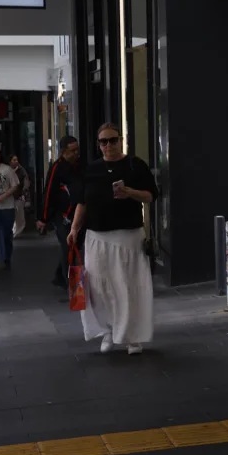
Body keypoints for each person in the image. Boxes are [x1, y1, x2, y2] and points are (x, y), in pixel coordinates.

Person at [67, 123, 158, 356]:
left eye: (112, 140)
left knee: (129, 287)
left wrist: (129, 192)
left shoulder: (134, 165)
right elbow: (82, 202)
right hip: (97, 236)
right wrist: (75, 228)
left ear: (121, 140)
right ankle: (107, 330)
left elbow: (150, 196)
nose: (108, 145)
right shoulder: (92, 170)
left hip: (128, 235)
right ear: (98, 145)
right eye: (103, 142)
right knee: (98, 288)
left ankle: (132, 336)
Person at [37, 136, 83, 292]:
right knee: (68, 245)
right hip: (61, 214)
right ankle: (69, 282)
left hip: (77, 213)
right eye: (73, 150)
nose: (76, 153)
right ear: (64, 152)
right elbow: (48, 193)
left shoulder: (80, 165)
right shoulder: (57, 168)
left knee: (73, 245)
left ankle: (59, 275)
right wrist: (43, 218)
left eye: (77, 149)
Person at [10, 155, 31, 237]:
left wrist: (24, 193)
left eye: (16, 159)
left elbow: (26, 183)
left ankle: (17, 230)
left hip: (19, 195)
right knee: (12, 214)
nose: (16, 161)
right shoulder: (7, 170)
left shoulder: (21, 171)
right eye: (14, 160)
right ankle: (13, 230)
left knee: (19, 214)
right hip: (9, 196)